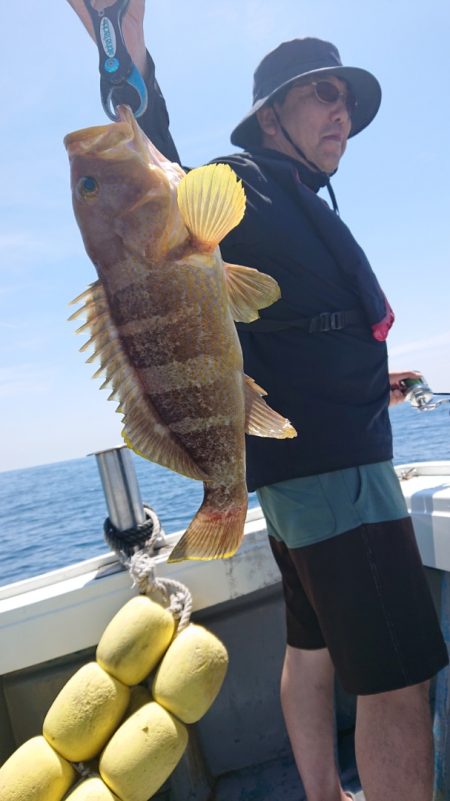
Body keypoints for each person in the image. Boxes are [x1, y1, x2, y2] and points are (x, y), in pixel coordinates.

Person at [67, 3, 449, 800]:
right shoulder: (245, 182)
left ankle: (322, 792)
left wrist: (362, 375)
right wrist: (129, 59)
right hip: (334, 473)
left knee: (309, 647)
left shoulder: (295, 196)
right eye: (322, 94)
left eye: (346, 98)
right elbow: (157, 186)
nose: (341, 110)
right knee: (397, 679)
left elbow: (292, 328)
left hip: (294, 474)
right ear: (271, 115)